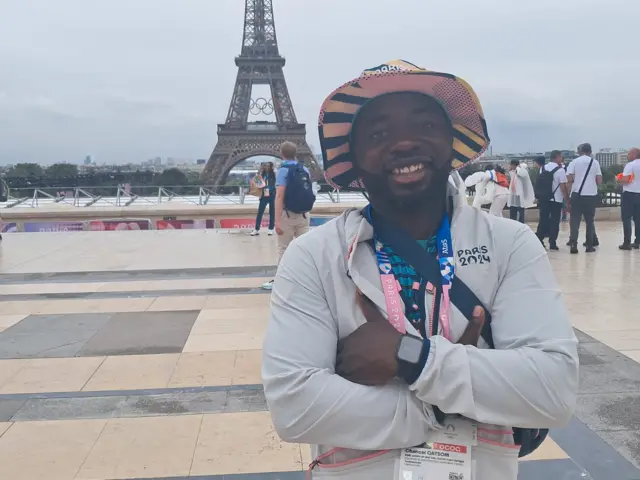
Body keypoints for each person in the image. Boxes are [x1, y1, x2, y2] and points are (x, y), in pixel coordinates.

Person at [262, 60, 578, 480]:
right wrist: (462, 402)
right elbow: (294, 408)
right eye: (378, 134)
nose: (404, 143)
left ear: (451, 142)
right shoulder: (312, 257)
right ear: (354, 161)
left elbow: (553, 390)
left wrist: (409, 358)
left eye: (424, 126)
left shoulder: (510, 244)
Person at [261, 141, 315, 290]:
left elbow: (279, 196)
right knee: (305, 250)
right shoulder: (305, 169)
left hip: (287, 215)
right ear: (295, 153)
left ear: (281, 153)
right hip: (304, 215)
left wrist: (277, 221)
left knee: (283, 249)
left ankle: (281, 281)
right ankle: (308, 281)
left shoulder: (283, 171)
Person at [566, 143, 602, 254]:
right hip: (590, 196)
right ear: (590, 151)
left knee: (575, 221)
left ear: (580, 151)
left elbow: (569, 178)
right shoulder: (595, 162)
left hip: (577, 195)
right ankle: (589, 246)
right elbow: (599, 181)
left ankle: (573, 244)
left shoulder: (574, 162)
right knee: (589, 221)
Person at [535, 151, 570, 250]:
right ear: (557, 157)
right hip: (556, 199)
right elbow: (563, 188)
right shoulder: (561, 170)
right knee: (555, 221)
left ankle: (540, 240)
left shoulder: (543, 168)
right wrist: (567, 201)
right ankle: (552, 242)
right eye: (561, 157)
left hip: (544, 198)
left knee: (543, 220)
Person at [617, 147, 640, 250]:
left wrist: (618, 179)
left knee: (626, 219)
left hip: (629, 195)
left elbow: (626, 180)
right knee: (638, 219)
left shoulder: (630, 165)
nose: (627, 155)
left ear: (634, 155)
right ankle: (637, 242)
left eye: (629, 154)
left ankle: (627, 243)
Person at [250, 162, 276, 236]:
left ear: (271, 167)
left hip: (272, 194)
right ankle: (256, 229)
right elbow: (257, 182)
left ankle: (271, 228)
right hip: (264, 194)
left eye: (268, 166)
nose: (266, 167)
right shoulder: (261, 174)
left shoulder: (274, 174)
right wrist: (259, 172)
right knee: (260, 212)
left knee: (272, 212)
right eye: (264, 166)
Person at [507, 159, 535, 223]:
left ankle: (521, 222)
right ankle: (513, 221)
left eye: (511, 165)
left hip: (519, 194)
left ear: (513, 165)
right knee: (513, 208)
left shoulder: (521, 170)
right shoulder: (513, 172)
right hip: (513, 194)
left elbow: (521, 174)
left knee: (520, 209)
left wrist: (518, 168)